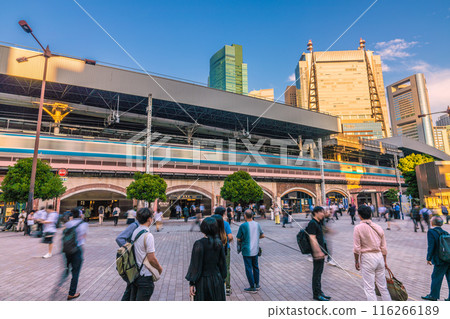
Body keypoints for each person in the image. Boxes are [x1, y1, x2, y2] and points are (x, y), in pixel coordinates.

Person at [353, 205, 391, 301]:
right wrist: (385, 261)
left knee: (369, 288)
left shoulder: (358, 228)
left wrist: (356, 261)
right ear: (370, 214)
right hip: (379, 257)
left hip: (367, 257)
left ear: (360, 215)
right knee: (383, 287)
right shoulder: (378, 227)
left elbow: (357, 248)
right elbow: (384, 248)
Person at [185, 217, 226, 301]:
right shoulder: (219, 243)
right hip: (217, 279)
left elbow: (195, 265)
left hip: (203, 281)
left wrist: (192, 283)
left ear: (203, 228)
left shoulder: (199, 244)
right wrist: (223, 279)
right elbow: (222, 264)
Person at [130, 208, 163, 301]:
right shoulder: (148, 235)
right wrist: (159, 268)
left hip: (135, 274)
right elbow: (151, 258)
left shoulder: (135, 232)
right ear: (149, 219)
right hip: (145, 275)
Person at [57, 207, 88, 300]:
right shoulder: (84, 224)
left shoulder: (68, 224)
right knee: (75, 272)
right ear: (80, 214)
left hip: (66, 249)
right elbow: (83, 236)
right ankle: (71, 293)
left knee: (67, 268)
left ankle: (62, 280)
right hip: (77, 249)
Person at [422, 216, 450, 301]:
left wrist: (429, 258)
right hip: (448, 258)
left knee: (436, 277)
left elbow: (431, 246)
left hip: (439, 259)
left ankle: (433, 296)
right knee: (449, 277)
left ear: (432, 223)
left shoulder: (431, 232)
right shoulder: (445, 232)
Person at [306, 206, 331, 301]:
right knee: (316, 273)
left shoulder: (318, 222)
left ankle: (319, 292)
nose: (323, 214)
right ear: (316, 213)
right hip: (317, 253)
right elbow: (312, 238)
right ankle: (316, 294)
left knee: (319, 273)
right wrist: (318, 251)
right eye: (321, 212)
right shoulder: (312, 223)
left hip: (320, 252)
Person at [236, 209, 264, 293]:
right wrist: (255, 237)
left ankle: (252, 287)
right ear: (252, 215)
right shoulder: (257, 224)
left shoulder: (243, 226)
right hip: (255, 249)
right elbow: (262, 235)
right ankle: (257, 284)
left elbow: (238, 238)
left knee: (248, 268)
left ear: (245, 216)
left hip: (246, 249)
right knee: (255, 266)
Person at [115, 217, 140, 301]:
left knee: (131, 287)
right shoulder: (135, 225)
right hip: (130, 262)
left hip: (134, 262)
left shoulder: (141, 226)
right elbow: (119, 238)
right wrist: (129, 250)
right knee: (131, 286)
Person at [213, 206, 234, 296]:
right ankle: (227, 288)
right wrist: (226, 242)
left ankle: (215, 286)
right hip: (224, 247)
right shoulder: (225, 224)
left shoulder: (211, 223)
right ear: (223, 213)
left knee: (214, 267)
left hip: (213, 247)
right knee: (226, 267)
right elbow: (230, 237)